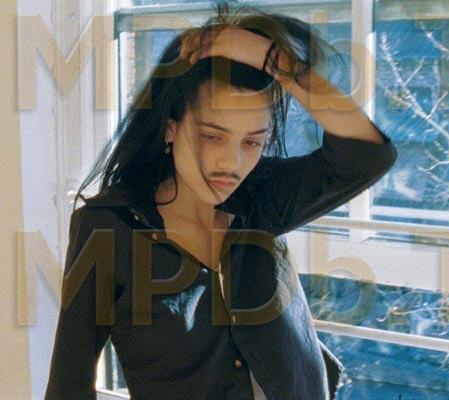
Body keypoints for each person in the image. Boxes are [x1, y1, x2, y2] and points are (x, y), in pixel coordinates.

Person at [45, 3, 397, 400]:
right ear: (170, 127)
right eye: (212, 136)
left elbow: (368, 156)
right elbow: (68, 386)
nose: (232, 163)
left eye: (252, 142)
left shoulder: (260, 197)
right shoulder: (108, 228)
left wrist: (276, 62)